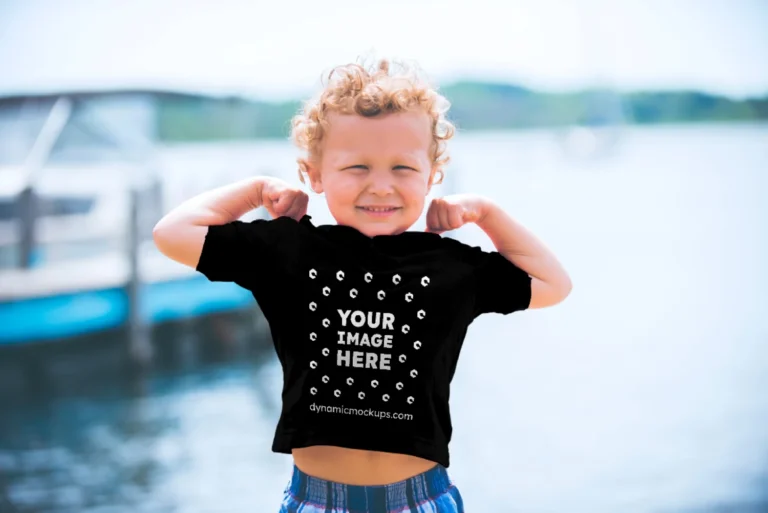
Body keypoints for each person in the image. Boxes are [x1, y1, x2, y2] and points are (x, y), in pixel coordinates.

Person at [153, 57, 572, 513]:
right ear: (313, 174)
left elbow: (553, 284)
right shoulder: (288, 252)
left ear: (431, 175)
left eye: (402, 169)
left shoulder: (452, 267)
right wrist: (255, 191)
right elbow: (171, 234)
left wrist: (486, 214)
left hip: (420, 498)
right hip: (317, 500)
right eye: (356, 167)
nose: (380, 186)